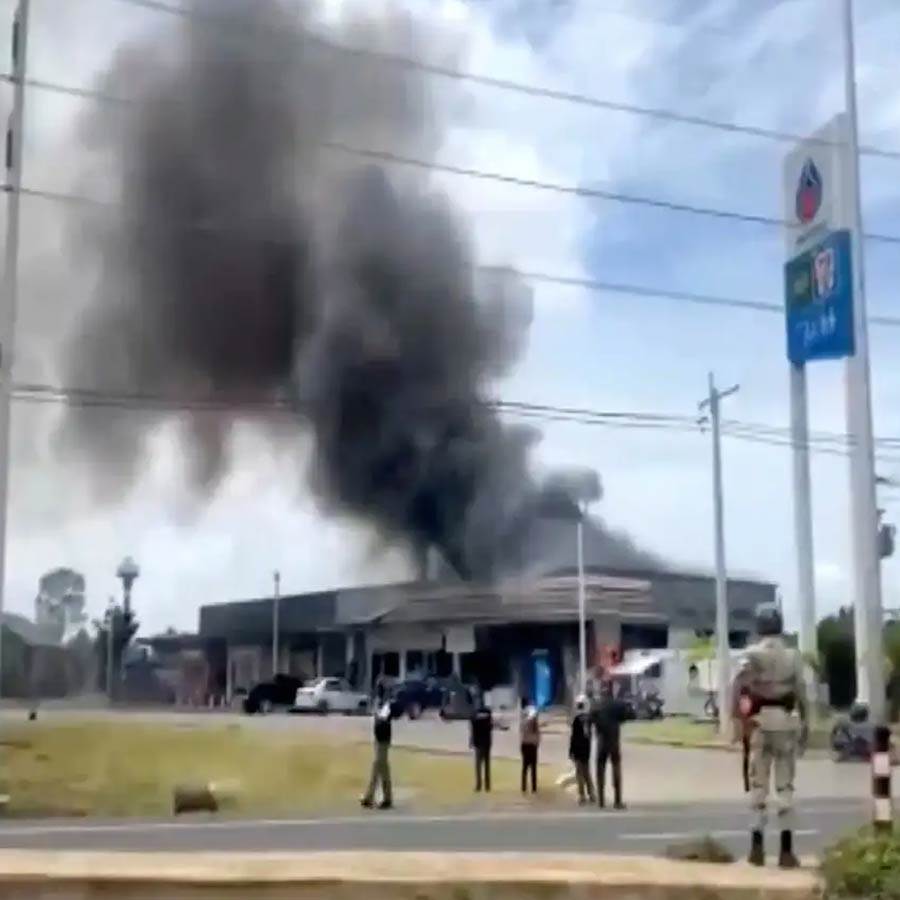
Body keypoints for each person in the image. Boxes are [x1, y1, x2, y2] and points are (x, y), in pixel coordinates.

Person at [733, 602, 808, 869]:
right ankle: (786, 851)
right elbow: (801, 692)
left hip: (759, 723)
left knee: (758, 787)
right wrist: (807, 722)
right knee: (785, 787)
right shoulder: (793, 656)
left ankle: (757, 849)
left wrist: (736, 719)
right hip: (786, 722)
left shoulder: (752, 654)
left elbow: (738, 683)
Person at [593, 679, 632, 810]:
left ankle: (601, 800)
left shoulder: (597, 704)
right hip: (613, 739)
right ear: (612, 690)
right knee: (616, 768)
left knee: (600, 768)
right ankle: (617, 800)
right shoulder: (618, 704)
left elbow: (591, 719)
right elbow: (629, 715)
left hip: (601, 740)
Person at [361, 688, 393, 810]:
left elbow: (382, 723)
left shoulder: (386, 707)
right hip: (380, 740)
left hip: (382, 741)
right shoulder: (380, 706)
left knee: (377, 769)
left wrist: (376, 715)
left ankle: (369, 797)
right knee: (383, 771)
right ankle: (386, 798)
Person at [568, 694, 594, 804]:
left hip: (578, 748)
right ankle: (591, 793)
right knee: (587, 771)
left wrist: (571, 750)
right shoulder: (589, 719)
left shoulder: (577, 720)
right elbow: (589, 735)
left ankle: (582, 795)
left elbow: (574, 737)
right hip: (586, 748)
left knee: (579, 773)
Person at [470, 693, 493, 793]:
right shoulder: (487, 713)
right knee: (484, 765)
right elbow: (490, 726)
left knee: (480, 765)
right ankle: (485, 785)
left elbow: (473, 727)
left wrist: (471, 740)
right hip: (484, 741)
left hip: (482, 742)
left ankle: (480, 785)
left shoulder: (474, 714)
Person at [519, 698, 540, 794]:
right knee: (533, 767)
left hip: (525, 744)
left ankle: (524, 787)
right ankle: (533, 788)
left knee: (525, 767)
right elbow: (536, 731)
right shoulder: (531, 716)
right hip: (531, 744)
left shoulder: (523, 716)